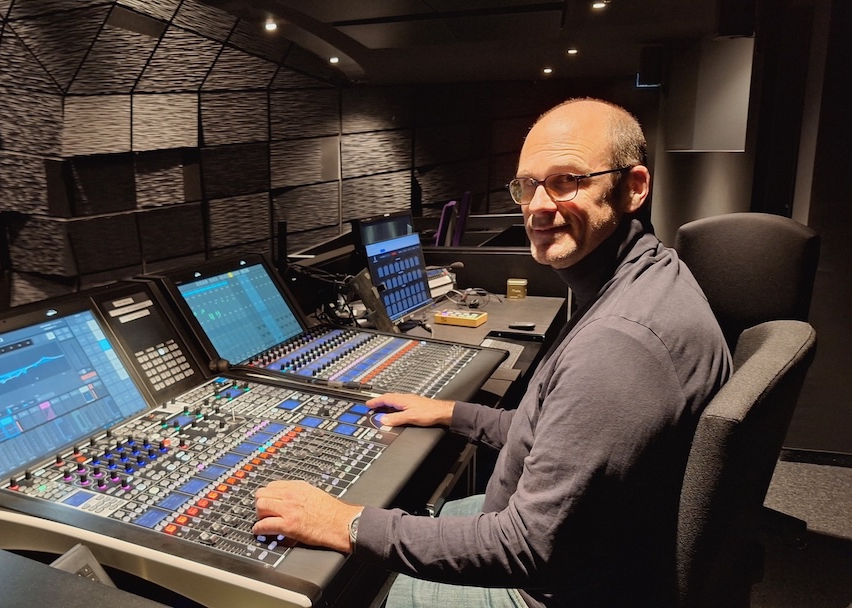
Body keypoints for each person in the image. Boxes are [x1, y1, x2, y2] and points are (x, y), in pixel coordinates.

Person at [252, 98, 733, 607]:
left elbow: (526, 545)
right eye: (528, 185)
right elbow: (559, 430)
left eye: (568, 180)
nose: (539, 205)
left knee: (360, 589)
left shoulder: (617, 344)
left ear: (633, 187)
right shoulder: (647, 277)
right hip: (584, 549)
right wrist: (452, 412)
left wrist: (343, 521)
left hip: (547, 586)